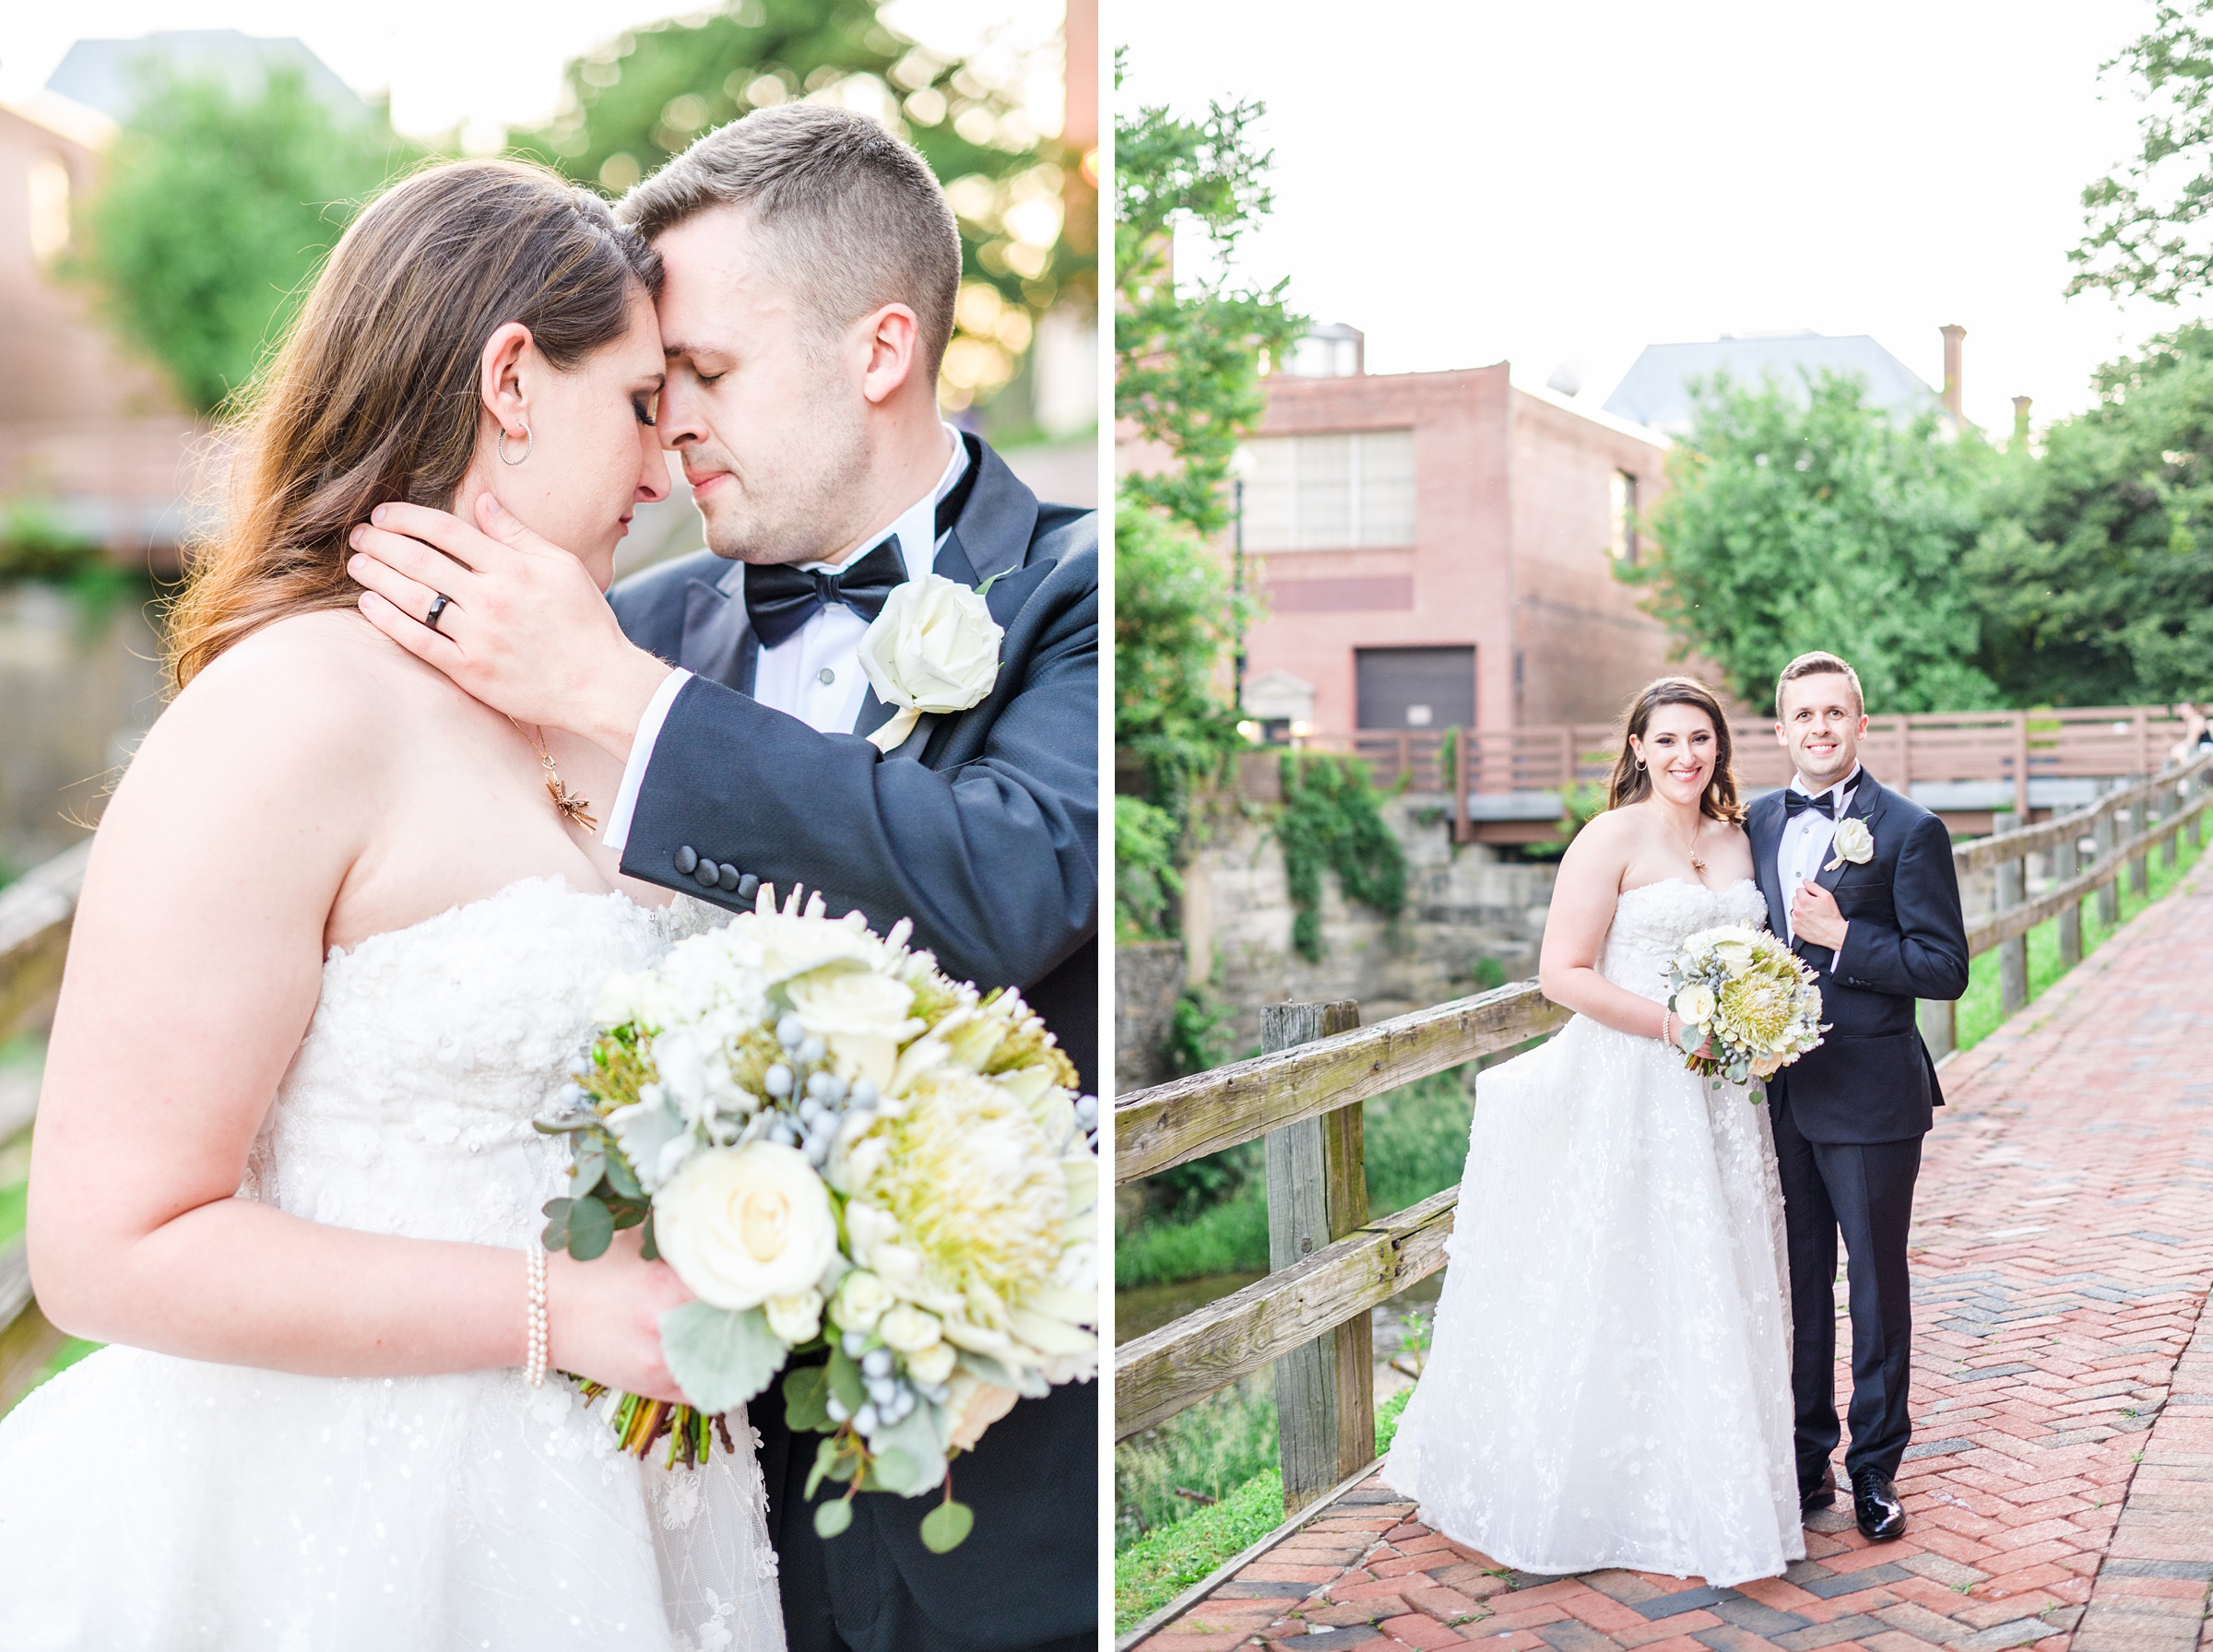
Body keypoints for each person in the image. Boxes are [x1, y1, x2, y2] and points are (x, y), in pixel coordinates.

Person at [0, 161, 783, 1648]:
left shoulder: (592, 705)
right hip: (345, 1525)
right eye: (635, 403)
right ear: (509, 383)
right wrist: (562, 1311)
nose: (664, 469)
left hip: (623, 1524)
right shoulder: (289, 710)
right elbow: (104, 1244)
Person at [344, 106, 1097, 1652]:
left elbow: (1015, 885)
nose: (666, 424)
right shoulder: (627, 615)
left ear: (879, 349)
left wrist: (621, 705)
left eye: (710, 373)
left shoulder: (1086, 585)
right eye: (650, 383)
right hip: (680, 1505)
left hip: (1010, 1507)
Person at [1385, 676, 1803, 1587]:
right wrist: (1675, 1025)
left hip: (1723, 1098)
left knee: (1713, 1271)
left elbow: (1764, 960)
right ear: (1638, 748)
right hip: (1636, 1079)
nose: (1686, 756)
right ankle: (1595, 1489)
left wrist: (1753, 1021)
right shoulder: (1609, 837)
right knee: (1621, 1268)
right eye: (1668, 741)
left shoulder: (1738, 839)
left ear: (1720, 749)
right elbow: (1560, 973)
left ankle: (1714, 1486)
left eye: (1701, 740)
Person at [1748, 652, 1967, 1541]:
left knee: (1874, 1287)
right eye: (1804, 716)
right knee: (1796, 1285)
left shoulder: (1911, 829)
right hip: (1776, 1096)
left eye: (1836, 714)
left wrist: (1846, 938)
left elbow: (1945, 968)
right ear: (1781, 730)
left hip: (1873, 1095)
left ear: (1861, 724)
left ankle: (1874, 1469)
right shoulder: (1755, 821)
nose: (1821, 729)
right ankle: (1804, 1464)